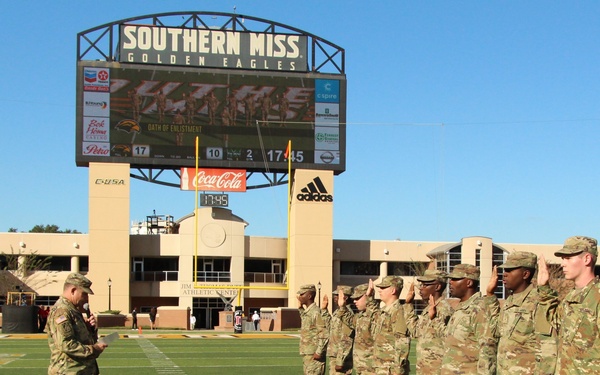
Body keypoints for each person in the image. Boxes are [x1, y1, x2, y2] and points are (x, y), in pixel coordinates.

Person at [536, 235, 600, 374]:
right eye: (562, 259)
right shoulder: (572, 295)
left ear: (587, 259)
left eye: (568, 258)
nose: (562, 264)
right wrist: (544, 287)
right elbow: (557, 320)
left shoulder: (597, 296)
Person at [486, 252, 556, 374]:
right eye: (504, 270)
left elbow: (548, 349)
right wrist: (490, 295)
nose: (505, 274)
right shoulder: (510, 301)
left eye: (510, 270)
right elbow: (495, 330)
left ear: (525, 274)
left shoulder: (538, 301)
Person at [441, 264, 499, 375]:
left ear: (469, 282)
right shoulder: (461, 308)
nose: (450, 282)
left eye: (455, 279)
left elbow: (487, 349)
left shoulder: (479, 309)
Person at [47, 273, 107, 374]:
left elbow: (81, 339)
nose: (86, 298)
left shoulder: (72, 310)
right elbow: (67, 344)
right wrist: (94, 349)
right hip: (68, 371)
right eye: (84, 294)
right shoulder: (62, 311)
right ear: (73, 291)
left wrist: (89, 329)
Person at [404, 269, 454, 375]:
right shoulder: (429, 309)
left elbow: (449, 338)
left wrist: (435, 318)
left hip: (437, 370)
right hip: (424, 369)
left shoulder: (443, 310)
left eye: (425, 285)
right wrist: (408, 304)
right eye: (421, 285)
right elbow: (415, 331)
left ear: (437, 287)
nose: (421, 289)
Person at [373, 276, 411, 375]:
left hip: (391, 370)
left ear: (393, 290)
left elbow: (402, 342)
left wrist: (398, 370)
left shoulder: (398, 312)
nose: (379, 290)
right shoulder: (384, 311)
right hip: (382, 368)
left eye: (383, 288)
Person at [297, 284, 328, 375]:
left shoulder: (316, 312)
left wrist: (318, 352)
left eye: (302, 294)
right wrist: (300, 308)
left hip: (314, 356)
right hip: (308, 355)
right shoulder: (309, 312)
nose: (299, 297)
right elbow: (306, 320)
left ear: (309, 296)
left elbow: (324, 334)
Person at [327, 286, 354, 375]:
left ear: (345, 298)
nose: (334, 298)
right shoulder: (338, 312)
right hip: (335, 355)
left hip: (342, 359)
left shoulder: (348, 314)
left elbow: (347, 339)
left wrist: (340, 360)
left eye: (336, 296)